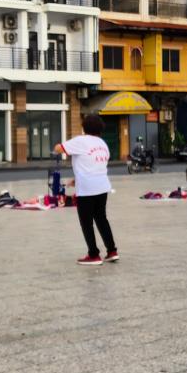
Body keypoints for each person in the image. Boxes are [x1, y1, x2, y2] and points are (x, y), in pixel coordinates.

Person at [55, 114, 117, 265]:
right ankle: (112, 251)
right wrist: (77, 178)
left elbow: (59, 149)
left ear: (84, 127)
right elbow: (94, 164)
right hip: (102, 186)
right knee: (101, 218)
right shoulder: (102, 143)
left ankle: (93, 255)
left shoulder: (81, 140)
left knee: (86, 222)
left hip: (87, 189)